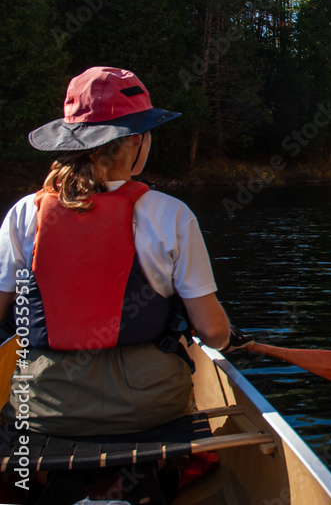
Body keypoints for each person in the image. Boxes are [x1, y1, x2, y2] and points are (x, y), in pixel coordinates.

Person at [0, 67, 242, 441]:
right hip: (148, 406)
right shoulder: (170, 213)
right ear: (135, 141)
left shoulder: (22, 214)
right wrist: (225, 339)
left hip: (45, 406)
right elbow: (211, 331)